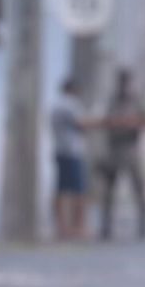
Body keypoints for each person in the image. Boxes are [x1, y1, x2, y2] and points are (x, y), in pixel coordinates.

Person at [99, 69, 145, 240]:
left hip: (131, 148)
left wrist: (132, 123)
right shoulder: (111, 100)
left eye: (125, 82)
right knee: (108, 191)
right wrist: (116, 122)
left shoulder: (136, 100)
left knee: (139, 189)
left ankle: (144, 225)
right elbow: (103, 120)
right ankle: (106, 226)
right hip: (114, 148)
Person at [50, 78, 90, 240]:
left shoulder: (56, 105)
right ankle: (77, 227)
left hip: (60, 150)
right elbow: (81, 123)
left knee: (61, 189)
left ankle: (61, 227)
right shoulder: (70, 104)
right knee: (78, 190)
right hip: (72, 151)